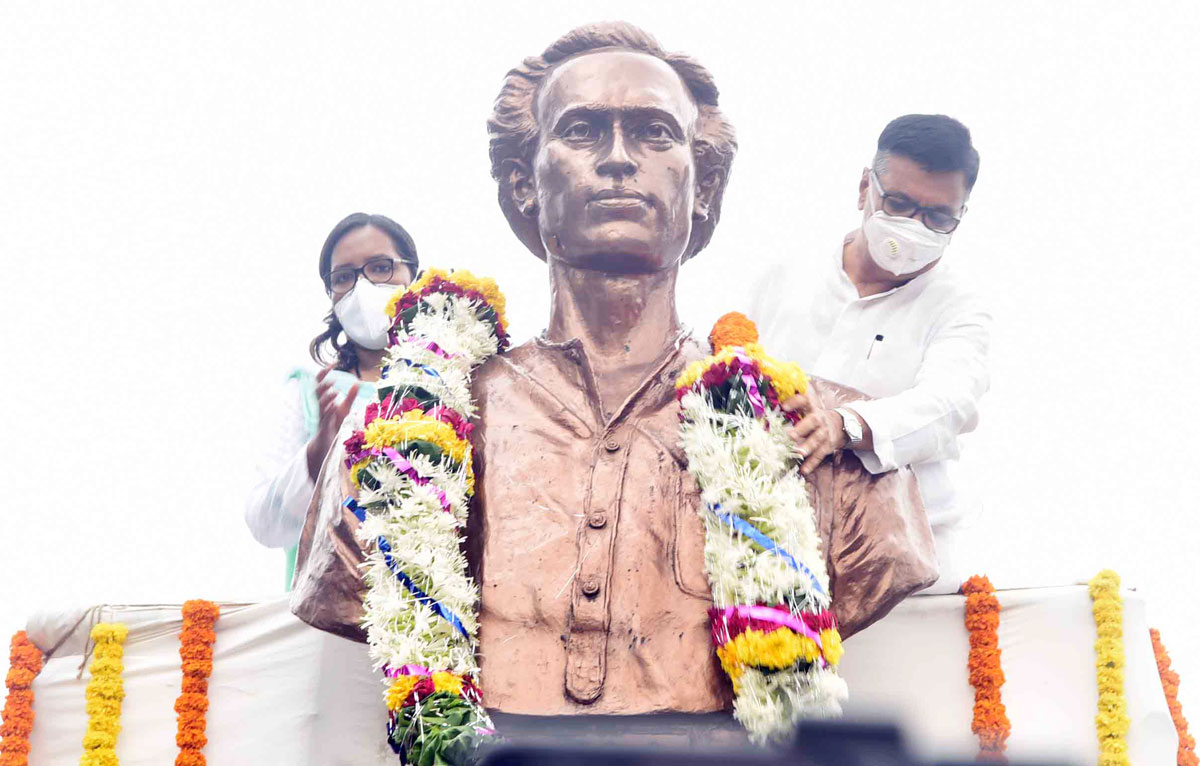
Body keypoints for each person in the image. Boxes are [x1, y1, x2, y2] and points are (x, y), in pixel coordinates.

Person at [291, 23, 937, 726]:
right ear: (523, 181)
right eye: (582, 131)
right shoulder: (395, 441)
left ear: (704, 183)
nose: (620, 159)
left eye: (655, 133)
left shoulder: (822, 438)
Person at [749, 114, 991, 594]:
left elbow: (949, 404)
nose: (914, 227)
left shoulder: (960, 307)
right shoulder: (788, 274)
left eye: (938, 217)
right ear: (865, 188)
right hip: (767, 549)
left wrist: (846, 427)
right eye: (898, 204)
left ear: (960, 216)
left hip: (905, 568)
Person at [245, 212, 419, 589]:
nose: (363, 287)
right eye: (343, 277)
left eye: (380, 267)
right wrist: (318, 456)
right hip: (330, 611)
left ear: (413, 276)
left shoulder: (460, 382)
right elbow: (263, 524)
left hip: (441, 611)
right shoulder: (310, 392)